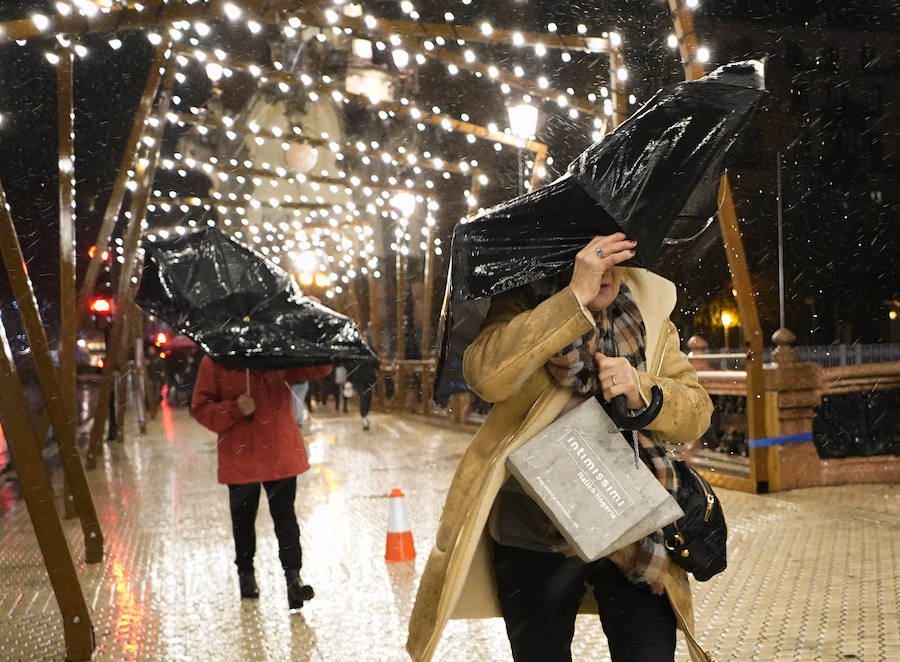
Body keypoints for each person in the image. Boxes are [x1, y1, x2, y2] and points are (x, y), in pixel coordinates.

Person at [408, 233, 714, 662]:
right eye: (592, 257)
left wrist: (642, 389)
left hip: (631, 524)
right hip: (535, 528)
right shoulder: (525, 302)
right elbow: (485, 375)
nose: (604, 270)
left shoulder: (648, 309)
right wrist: (572, 300)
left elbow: (698, 411)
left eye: (615, 256)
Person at [191, 356, 332, 610]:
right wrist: (234, 409)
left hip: (279, 450)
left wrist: (319, 348)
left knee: (285, 517)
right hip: (240, 454)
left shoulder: (276, 352)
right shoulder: (215, 360)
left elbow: (316, 368)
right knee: (243, 520)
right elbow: (201, 408)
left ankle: (293, 578)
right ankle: (246, 574)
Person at [347, 358, 378, 431]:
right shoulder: (357, 352)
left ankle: (364, 415)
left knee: (367, 397)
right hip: (359, 380)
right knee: (364, 396)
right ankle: (364, 416)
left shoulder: (369, 352)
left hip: (367, 379)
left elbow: (376, 363)